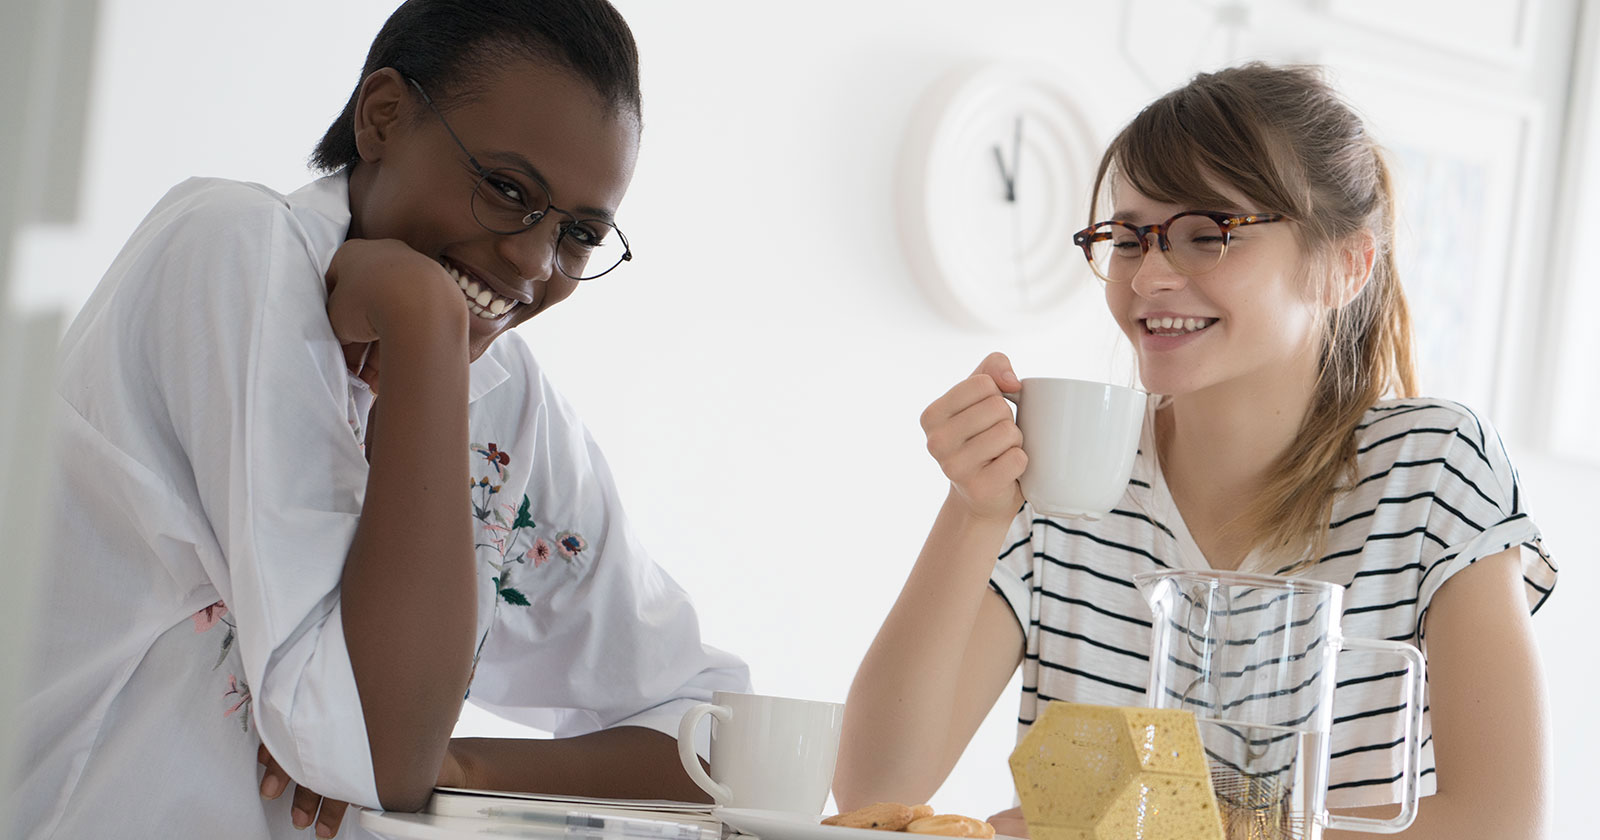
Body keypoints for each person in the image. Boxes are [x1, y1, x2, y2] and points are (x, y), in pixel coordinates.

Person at [13, 2, 750, 838]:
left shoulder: (508, 399)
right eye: (508, 189)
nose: (536, 262)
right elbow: (371, 749)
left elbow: (724, 744)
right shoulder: (231, 249)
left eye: (580, 234)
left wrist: (463, 765)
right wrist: (424, 322)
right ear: (383, 117)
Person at [835, 63, 1556, 839]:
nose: (1149, 275)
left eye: (1206, 236)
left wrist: (1150, 829)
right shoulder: (1066, 477)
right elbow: (876, 791)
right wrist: (973, 511)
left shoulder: (1433, 469)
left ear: (1346, 264)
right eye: (1128, 237)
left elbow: (1500, 823)